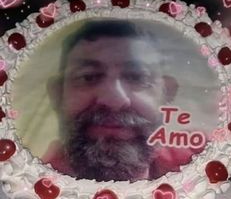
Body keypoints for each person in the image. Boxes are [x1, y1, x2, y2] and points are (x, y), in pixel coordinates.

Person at [42, 19, 209, 182]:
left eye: (137, 77)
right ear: (57, 94)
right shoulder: (22, 180)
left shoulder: (208, 162)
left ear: (167, 92)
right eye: (88, 77)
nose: (114, 100)